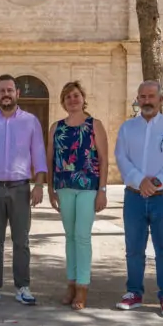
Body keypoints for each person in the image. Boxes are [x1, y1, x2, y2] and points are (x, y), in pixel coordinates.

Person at [0, 74, 47, 305]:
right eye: (2, 90)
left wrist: (39, 186)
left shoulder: (30, 121)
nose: (6, 94)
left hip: (21, 189)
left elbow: (39, 153)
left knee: (21, 241)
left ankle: (23, 287)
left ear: (17, 94)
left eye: (10, 90)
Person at [114, 80, 163, 317]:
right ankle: (134, 293)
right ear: (138, 99)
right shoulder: (127, 128)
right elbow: (122, 158)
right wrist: (140, 181)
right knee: (134, 249)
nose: (146, 101)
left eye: (151, 96)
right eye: (142, 97)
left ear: (159, 98)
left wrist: (155, 183)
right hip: (134, 197)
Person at [46, 81, 109, 310]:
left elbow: (103, 159)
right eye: (67, 97)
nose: (72, 100)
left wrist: (102, 191)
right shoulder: (56, 127)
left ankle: (83, 286)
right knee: (70, 236)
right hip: (64, 186)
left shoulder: (95, 125)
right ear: (63, 102)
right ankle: (71, 284)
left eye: (75, 95)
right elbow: (50, 159)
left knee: (82, 236)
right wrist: (50, 189)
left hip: (88, 187)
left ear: (83, 98)